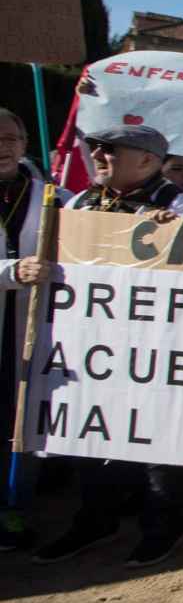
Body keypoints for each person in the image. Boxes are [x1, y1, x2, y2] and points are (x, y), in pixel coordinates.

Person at [33, 125, 183, 568]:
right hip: (94, 343)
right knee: (90, 434)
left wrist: (171, 235)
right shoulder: (81, 203)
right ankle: (96, 519)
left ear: (148, 162)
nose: (97, 154)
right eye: (97, 147)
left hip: (158, 346)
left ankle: (162, 525)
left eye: (110, 150)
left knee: (155, 440)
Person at [0, 109, 48, 552]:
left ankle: (15, 507)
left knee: (21, 418)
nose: (4, 146)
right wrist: (12, 271)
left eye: (12, 138)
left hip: (30, 324)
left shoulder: (49, 193)